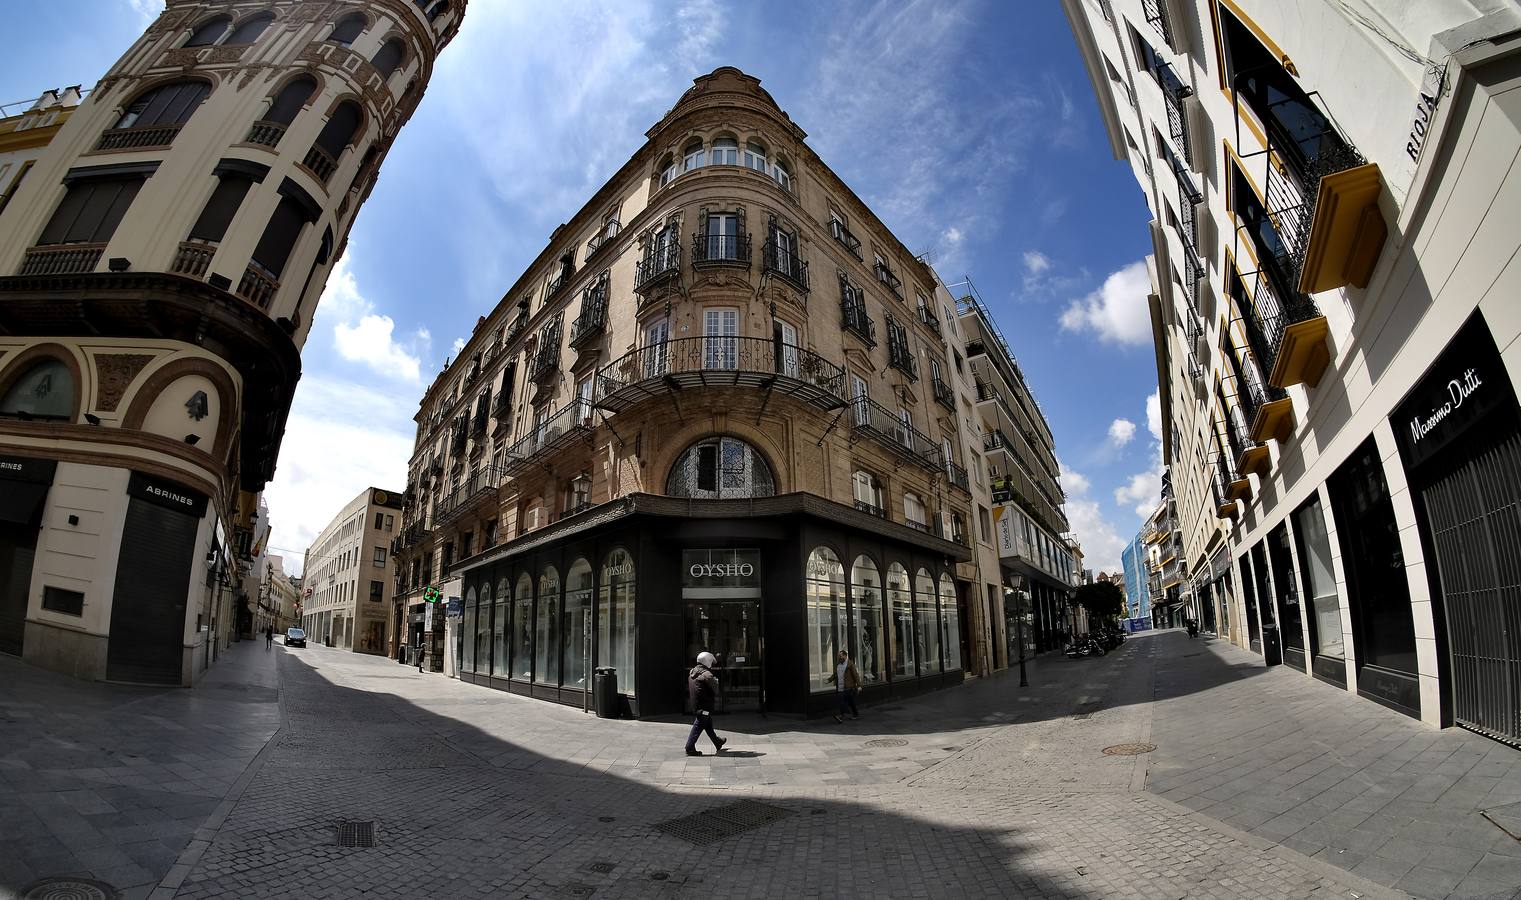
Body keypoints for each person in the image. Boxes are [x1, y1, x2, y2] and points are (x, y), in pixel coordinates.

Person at [685, 651, 728, 757]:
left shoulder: (692, 672)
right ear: (708, 661)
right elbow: (716, 690)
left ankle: (717, 742)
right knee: (699, 725)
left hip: (696, 703)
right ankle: (689, 747)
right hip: (705, 704)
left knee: (707, 723)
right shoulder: (707, 674)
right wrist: (716, 682)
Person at [827, 649, 861, 722]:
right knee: (851, 702)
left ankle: (841, 717)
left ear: (845, 656)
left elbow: (856, 675)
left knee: (842, 701)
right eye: (838, 656)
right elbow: (835, 674)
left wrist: (859, 685)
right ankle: (855, 714)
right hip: (840, 687)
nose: (839, 657)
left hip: (848, 687)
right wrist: (829, 680)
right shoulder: (838, 664)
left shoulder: (850, 664)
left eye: (840, 656)